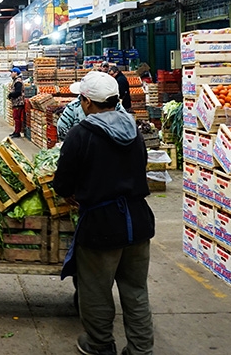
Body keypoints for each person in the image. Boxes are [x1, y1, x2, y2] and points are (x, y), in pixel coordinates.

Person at [53, 71, 155, 355]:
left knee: (95, 290)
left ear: (86, 102)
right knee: (136, 290)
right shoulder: (133, 131)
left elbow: (62, 183)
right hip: (138, 221)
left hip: (101, 224)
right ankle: (141, 349)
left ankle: (99, 345)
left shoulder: (81, 134)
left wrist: (74, 193)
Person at [8, 68, 25, 138]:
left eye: (12, 72)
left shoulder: (18, 81)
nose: (11, 74)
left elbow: (18, 92)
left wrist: (11, 94)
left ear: (16, 73)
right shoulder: (16, 81)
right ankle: (16, 131)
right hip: (16, 102)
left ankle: (17, 132)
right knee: (15, 117)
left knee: (17, 118)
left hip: (18, 102)